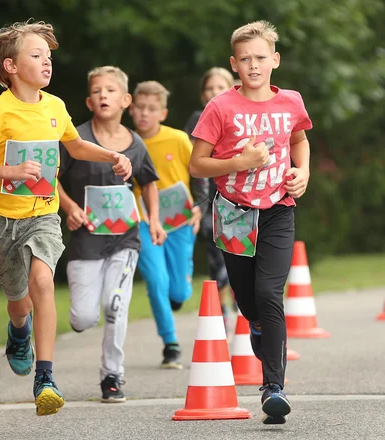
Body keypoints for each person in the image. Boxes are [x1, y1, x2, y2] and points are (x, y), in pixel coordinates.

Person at [0, 21, 132, 416]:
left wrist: (113, 156)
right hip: (0, 220)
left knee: (42, 281)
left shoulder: (55, 106)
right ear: (11, 66)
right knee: (18, 303)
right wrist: (9, 172)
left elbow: (76, 145)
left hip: (43, 214)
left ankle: (45, 376)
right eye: (36, 56)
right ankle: (19, 332)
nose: (46, 63)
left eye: (48, 57)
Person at [189, 21, 313, 424]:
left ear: (274, 60)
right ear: (234, 64)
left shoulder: (291, 102)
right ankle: (257, 326)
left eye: (261, 57)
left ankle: (272, 387)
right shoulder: (220, 107)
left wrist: (303, 171)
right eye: (245, 59)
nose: (254, 65)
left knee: (270, 293)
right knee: (248, 302)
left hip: (278, 208)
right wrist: (239, 163)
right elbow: (197, 163)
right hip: (233, 213)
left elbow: (299, 139)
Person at [58, 66, 166, 402]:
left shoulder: (135, 144)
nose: (103, 95)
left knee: (115, 306)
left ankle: (112, 376)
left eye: (110, 90)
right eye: (96, 91)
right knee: (84, 316)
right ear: (89, 102)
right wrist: (69, 207)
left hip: (125, 239)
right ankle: (82, 322)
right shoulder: (74, 139)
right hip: (86, 240)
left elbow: (148, 183)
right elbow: (51, 177)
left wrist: (155, 219)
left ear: (125, 100)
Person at [129, 81, 204, 369]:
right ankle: (170, 343)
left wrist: (199, 206)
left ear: (163, 113)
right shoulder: (128, 142)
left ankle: (178, 290)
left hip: (180, 221)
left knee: (179, 293)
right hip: (144, 221)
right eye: (140, 108)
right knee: (156, 280)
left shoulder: (178, 139)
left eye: (152, 109)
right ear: (131, 109)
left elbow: (199, 174)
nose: (145, 114)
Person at [183, 67, 236, 331]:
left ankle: (242, 299)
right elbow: (190, 164)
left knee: (243, 255)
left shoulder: (242, 115)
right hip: (210, 199)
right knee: (218, 258)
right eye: (209, 88)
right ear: (203, 94)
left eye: (220, 87)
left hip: (241, 197)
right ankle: (223, 311)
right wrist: (199, 203)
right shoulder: (196, 120)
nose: (214, 93)